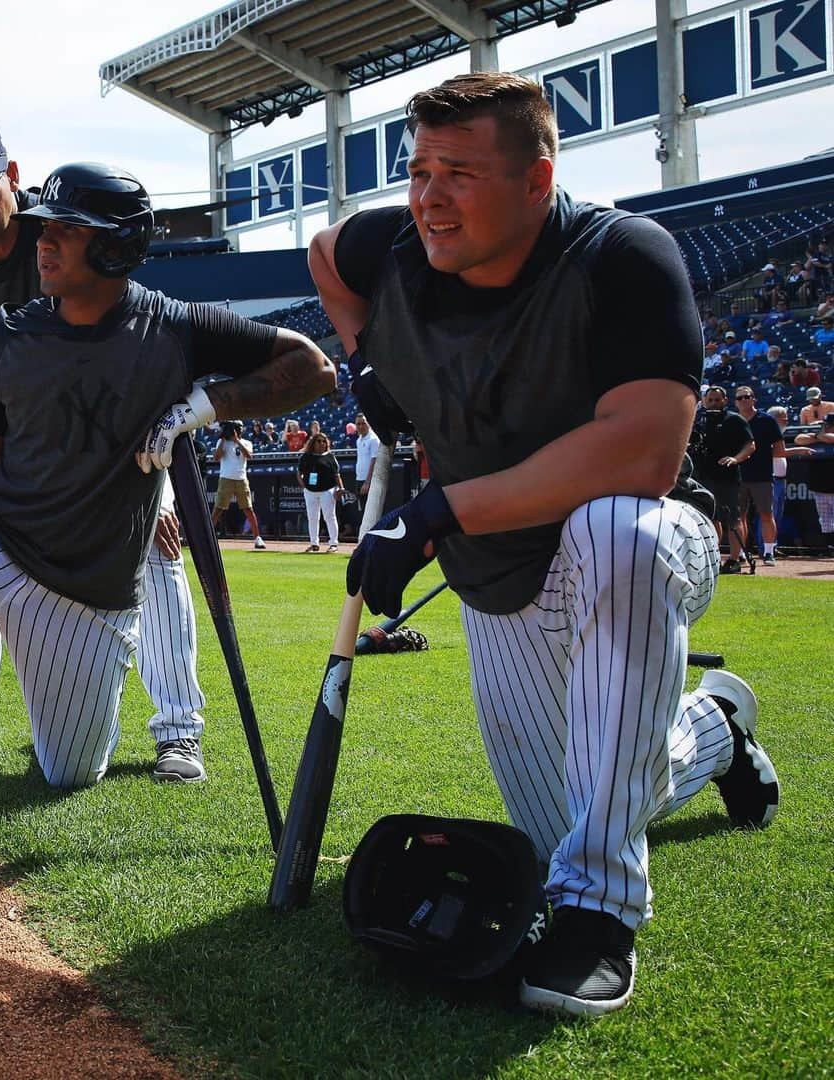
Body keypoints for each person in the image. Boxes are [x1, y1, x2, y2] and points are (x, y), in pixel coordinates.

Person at [308, 72, 778, 1018]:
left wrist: (437, 514)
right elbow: (325, 252)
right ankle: (715, 733)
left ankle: (602, 913)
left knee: (617, 533)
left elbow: (644, 455)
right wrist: (370, 363)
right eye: (420, 170)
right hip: (499, 574)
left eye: (461, 173)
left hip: (641, 541)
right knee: (562, 818)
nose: (430, 198)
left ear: (537, 179)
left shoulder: (624, 256)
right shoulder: (394, 246)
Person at [0, 162, 334, 864]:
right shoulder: (8, 335)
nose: (45, 243)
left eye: (68, 230)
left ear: (117, 246)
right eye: (45, 228)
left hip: (82, 598)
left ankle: (124, 717)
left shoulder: (175, 328)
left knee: (67, 771)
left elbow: (312, 367)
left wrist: (206, 407)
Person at [0, 109, 211, 783]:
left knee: (156, 544)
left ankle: (178, 731)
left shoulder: (58, 231)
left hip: (119, 429)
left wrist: (154, 484)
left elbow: (136, 350)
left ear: (10, 177)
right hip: (17, 438)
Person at [692, 386, 755, 573]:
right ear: (704, 401)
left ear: (725, 400)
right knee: (710, 519)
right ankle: (713, 557)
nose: (713, 404)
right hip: (703, 476)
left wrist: (736, 458)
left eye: (717, 400)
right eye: (710, 400)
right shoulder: (699, 420)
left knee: (733, 519)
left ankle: (735, 559)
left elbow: (750, 445)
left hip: (727, 476)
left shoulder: (734, 420)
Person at [732, 386, 785, 565]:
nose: (745, 400)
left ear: (754, 399)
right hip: (738, 476)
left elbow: (779, 447)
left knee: (766, 514)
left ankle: (769, 551)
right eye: (740, 398)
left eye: (748, 397)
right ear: (735, 402)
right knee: (739, 516)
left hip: (762, 475)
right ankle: (740, 553)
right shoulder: (733, 421)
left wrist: (777, 471)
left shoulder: (767, 420)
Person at [211, 419, 267, 549]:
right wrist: (223, 439)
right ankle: (207, 536)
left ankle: (257, 538)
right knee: (218, 509)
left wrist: (237, 441)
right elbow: (216, 457)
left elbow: (248, 455)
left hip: (241, 478)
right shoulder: (222, 442)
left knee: (248, 508)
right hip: (226, 478)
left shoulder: (246, 442)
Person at [297, 431, 343, 552]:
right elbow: (299, 473)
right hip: (310, 491)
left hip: (327, 490)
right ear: (313, 443)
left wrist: (341, 488)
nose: (321, 443)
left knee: (329, 516)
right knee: (312, 517)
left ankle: (333, 544)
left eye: (324, 441)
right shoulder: (306, 456)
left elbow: (337, 475)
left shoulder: (330, 457)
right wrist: (304, 487)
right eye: (318, 441)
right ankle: (314, 544)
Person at [794, 414, 834, 548]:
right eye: (825, 424)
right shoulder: (817, 436)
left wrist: (818, 437)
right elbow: (798, 439)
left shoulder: (822, 437)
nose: (825, 427)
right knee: (825, 520)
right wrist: (817, 436)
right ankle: (830, 546)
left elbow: (831, 438)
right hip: (820, 487)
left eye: (828, 425)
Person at [353, 413, 381, 511]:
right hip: (359, 479)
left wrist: (368, 482)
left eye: (363, 423)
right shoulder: (358, 440)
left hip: (369, 481)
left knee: (371, 511)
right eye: (358, 424)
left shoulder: (373, 439)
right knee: (363, 511)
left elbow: (375, 460)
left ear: (368, 423)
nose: (360, 426)